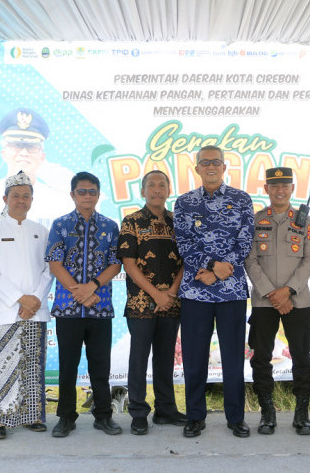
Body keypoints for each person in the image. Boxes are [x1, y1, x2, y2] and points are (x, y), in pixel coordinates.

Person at [173, 145, 254, 438]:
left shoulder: (241, 200)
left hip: (231, 292)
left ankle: (236, 418)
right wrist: (209, 266)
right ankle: (195, 416)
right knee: (194, 358)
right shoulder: (183, 203)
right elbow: (184, 244)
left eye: (215, 162)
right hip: (196, 291)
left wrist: (223, 268)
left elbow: (245, 242)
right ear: (196, 168)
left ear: (224, 166)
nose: (210, 167)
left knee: (234, 359)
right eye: (204, 162)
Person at [45, 172, 121, 438]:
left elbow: (116, 262)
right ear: (72, 195)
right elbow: (55, 263)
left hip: (100, 307)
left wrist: (93, 287)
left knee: (100, 365)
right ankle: (66, 417)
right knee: (68, 366)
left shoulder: (110, 226)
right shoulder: (60, 224)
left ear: (99, 195)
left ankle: (103, 415)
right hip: (68, 308)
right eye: (82, 191)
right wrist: (79, 293)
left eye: (92, 192)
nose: (87, 196)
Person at [245, 167, 310, 436]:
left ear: (291, 189)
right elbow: (249, 260)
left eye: (285, 185)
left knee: (302, 357)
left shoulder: (305, 221)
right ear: (266, 189)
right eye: (274, 186)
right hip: (265, 301)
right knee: (261, 358)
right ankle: (267, 413)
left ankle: (302, 414)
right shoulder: (256, 220)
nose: (279, 190)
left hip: (296, 300)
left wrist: (287, 291)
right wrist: (271, 293)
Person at [0, 171, 54, 439]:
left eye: (26, 196)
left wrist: (34, 299)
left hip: (36, 309)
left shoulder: (41, 230)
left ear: (32, 200)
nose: (21, 200)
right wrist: (19, 298)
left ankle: (33, 415)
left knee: (33, 364)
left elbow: (49, 269)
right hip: (6, 309)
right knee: (4, 364)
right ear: (6, 198)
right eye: (16, 196)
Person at [117, 170, 186, 435]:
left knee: (166, 358)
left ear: (169, 190)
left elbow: (186, 260)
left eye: (162, 185)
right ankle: (138, 412)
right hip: (141, 304)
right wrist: (156, 294)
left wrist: (170, 293)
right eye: (151, 185)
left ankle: (166, 409)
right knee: (139, 358)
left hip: (171, 302)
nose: (157, 190)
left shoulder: (177, 222)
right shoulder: (131, 221)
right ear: (143, 191)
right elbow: (129, 263)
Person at [0, 107, 74, 232]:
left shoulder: (60, 201)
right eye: (17, 145)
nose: (24, 153)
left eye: (31, 147)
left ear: (42, 157)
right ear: (3, 153)